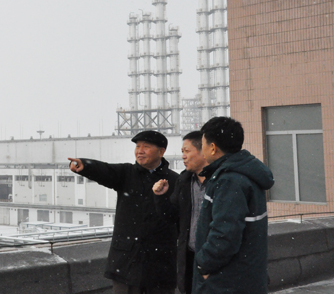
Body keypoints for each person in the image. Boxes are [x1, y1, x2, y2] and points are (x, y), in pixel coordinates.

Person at [68, 130, 179, 294]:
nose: (139, 151)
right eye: (137, 146)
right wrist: (86, 166)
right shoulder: (127, 173)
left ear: (161, 151)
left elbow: (179, 217)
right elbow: (105, 170)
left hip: (160, 266)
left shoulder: (175, 180)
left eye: (146, 147)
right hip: (126, 263)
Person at [192, 117, 274, 294]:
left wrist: (204, 265)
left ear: (213, 148)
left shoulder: (229, 180)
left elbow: (225, 234)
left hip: (227, 282)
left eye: (203, 144)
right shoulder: (243, 173)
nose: (203, 150)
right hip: (243, 278)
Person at [152, 131, 208, 294]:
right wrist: (160, 197)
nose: (183, 156)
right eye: (182, 151)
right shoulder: (184, 181)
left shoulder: (221, 182)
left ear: (204, 151)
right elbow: (170, 216)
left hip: (215, 258)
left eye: (187, 151)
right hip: (190, 258)